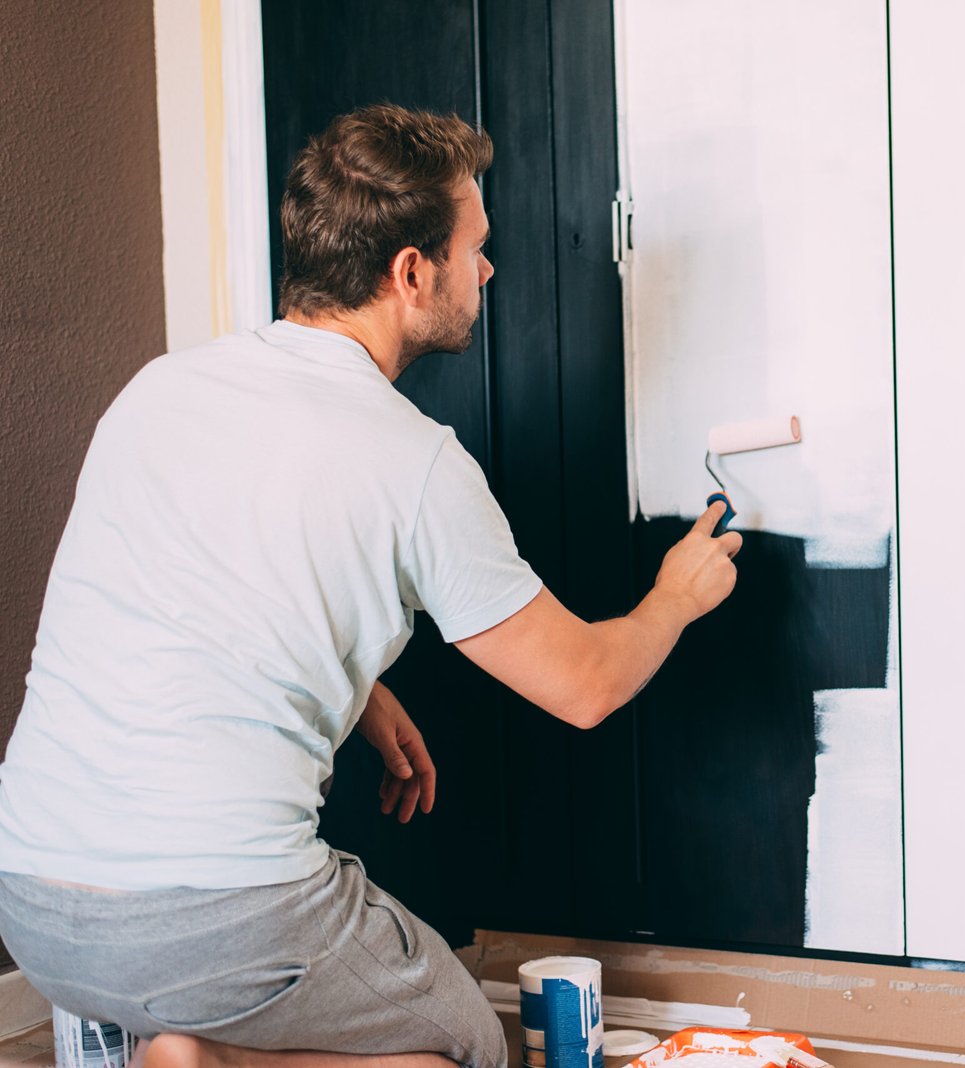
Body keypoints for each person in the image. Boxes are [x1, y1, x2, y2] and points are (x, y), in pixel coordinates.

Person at [0, 104, 740, 1068]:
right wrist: (675, 595)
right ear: (409, 271)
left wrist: (360, 694)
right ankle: (205, 1057)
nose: (486, 270)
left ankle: (190, 1049)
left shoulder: (162, 388)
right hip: (221, 918)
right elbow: (586, 685)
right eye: (475, 248)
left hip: (36, 903)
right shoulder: (415, 462)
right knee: (471, 1046)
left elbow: (187, 603)